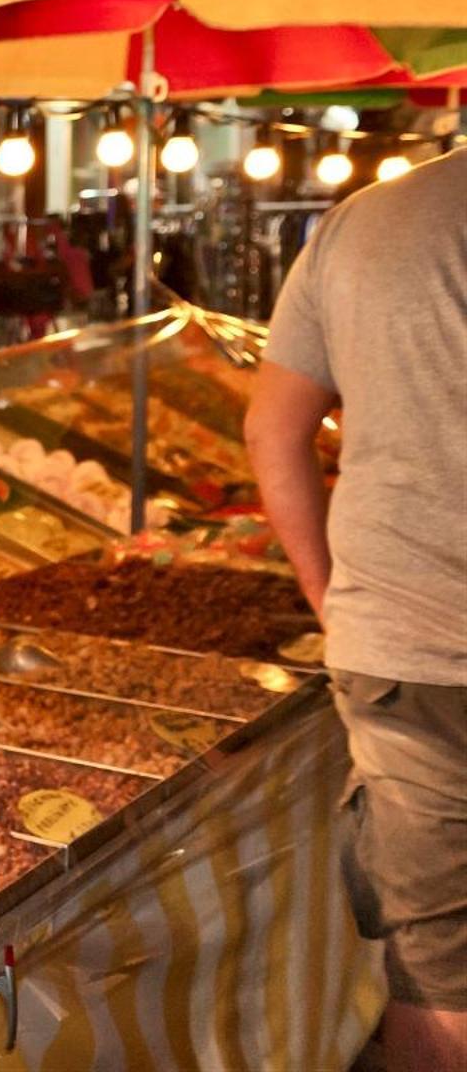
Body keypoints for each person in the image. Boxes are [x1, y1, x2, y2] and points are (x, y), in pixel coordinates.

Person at [244, 149, 467, 1072]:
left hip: (405, 647)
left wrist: (327, 593)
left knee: (437, 964)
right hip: (402, 638)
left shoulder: (366, 222)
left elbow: (273, 428)